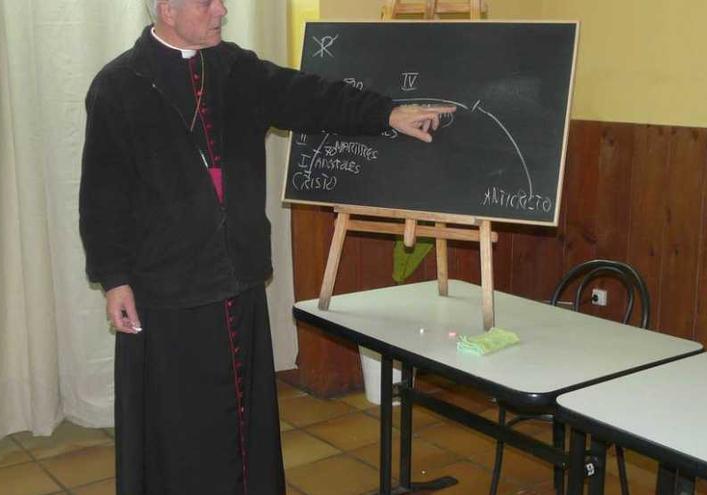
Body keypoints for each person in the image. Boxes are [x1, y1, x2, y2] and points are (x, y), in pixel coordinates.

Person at [79, 0, 454, 493]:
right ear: (167, 8)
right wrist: (114, 278)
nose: (223, 8)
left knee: (243, 424)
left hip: (238, 281)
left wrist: (388, 113)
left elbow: (315, 98)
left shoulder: (238, 70)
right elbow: (102, 194)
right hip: (167, 292)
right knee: (179, 430)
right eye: (207, 1)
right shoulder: (118, 86)